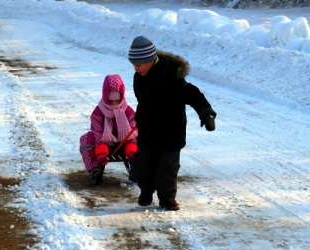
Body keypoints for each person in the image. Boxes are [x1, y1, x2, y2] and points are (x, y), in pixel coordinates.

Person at [128, 36, 216, 211]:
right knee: (142, 165)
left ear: (151, 61)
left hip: (171, 131)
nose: (136, 68)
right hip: (148, 131)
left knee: (167, 168)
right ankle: (146, 191)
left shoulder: (171, 76)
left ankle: (167, 198)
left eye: (139, 64)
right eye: (134, 65)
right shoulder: (139, 77)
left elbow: (192, 94)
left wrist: (206, 113)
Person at [79, 74, 138, 184]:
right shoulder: (98, 112)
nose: (114, 104)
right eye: (111, 101)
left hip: (125, 144)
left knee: (143, 138)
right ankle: (94, 170)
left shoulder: (128, 111)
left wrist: (131, 152)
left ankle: (137, 167)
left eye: (117, 100)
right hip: (104, 145)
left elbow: (133, 134)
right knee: (87, 138)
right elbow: (98, 135)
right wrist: (102, 153)